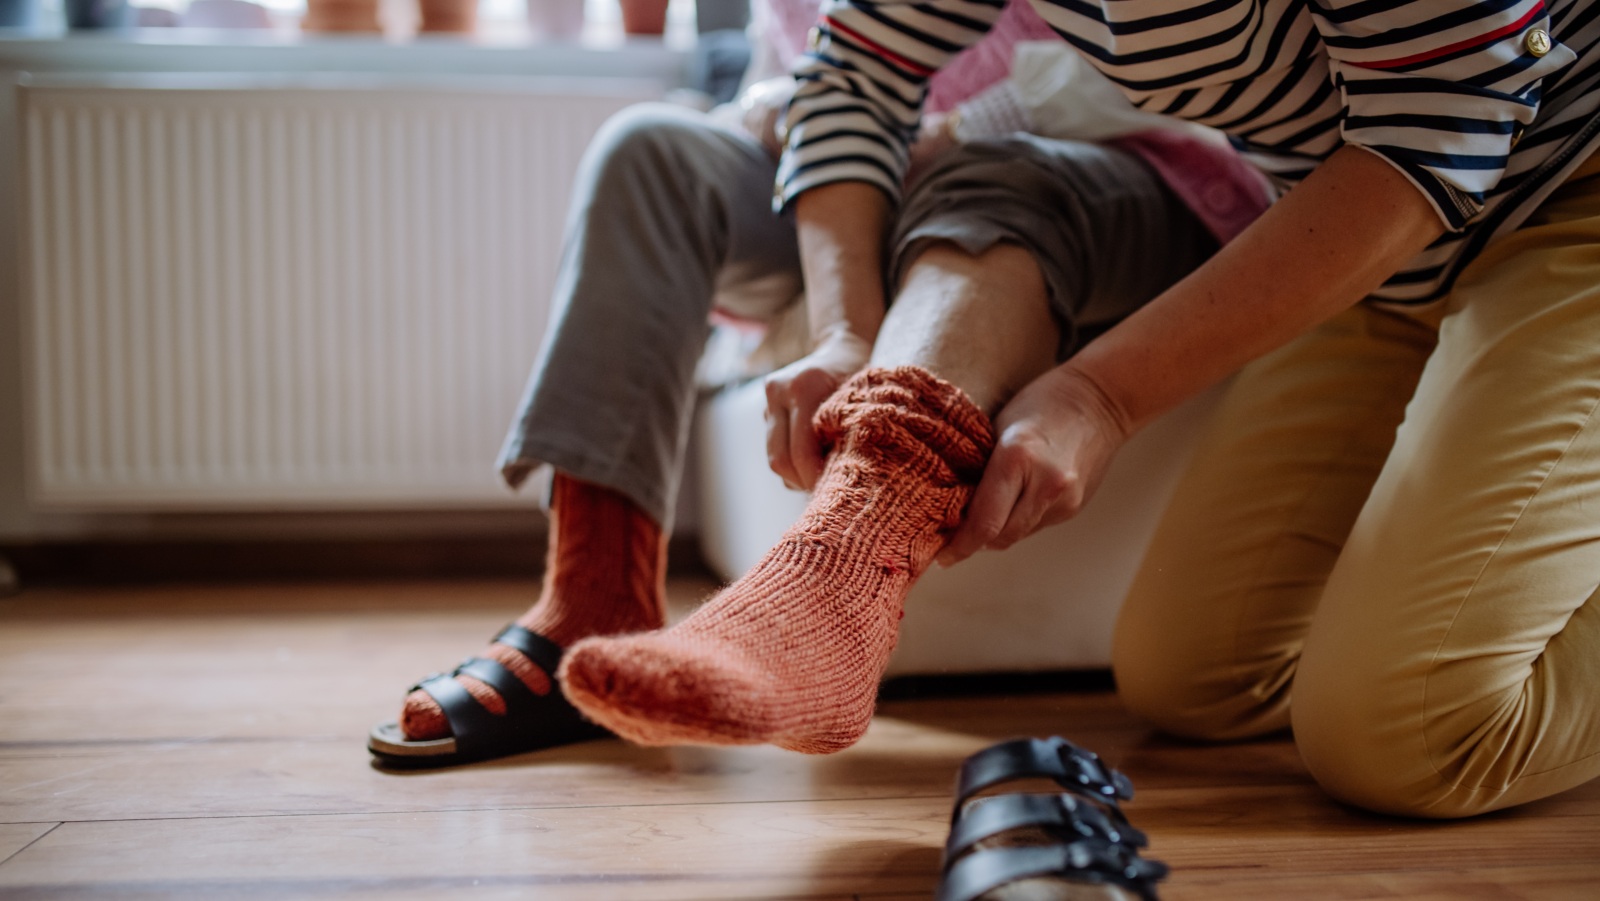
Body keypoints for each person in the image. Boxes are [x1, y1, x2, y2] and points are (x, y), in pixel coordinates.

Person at [556, 0, 1600, 821]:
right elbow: (855, 71)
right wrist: (842, 335)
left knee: (1410, 737)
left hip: (1560, 195)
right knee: (1190, 681)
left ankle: (829, 578)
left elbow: (1439, 121)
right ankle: (835, 567)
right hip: (1390, 261)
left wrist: (1101, 392)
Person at [366, 0, 1266, 766]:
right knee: (650, 150)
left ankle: (827, 594)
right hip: (874, 168)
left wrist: (951, 131)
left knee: (984, 177)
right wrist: (842, 319)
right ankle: (591, 600)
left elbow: (1143, 70)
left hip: (1103, 159)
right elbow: (830, 75)